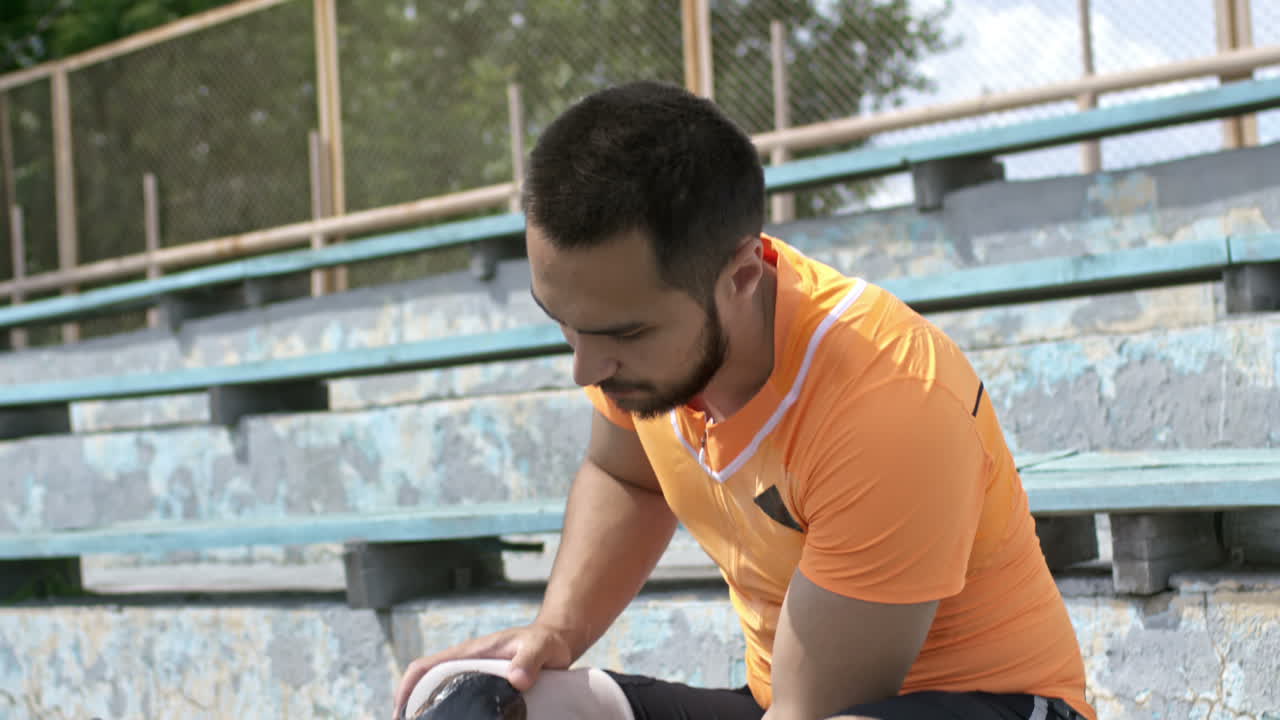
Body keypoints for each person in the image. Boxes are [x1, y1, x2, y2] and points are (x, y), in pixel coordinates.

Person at [392, 80, 1095, 720]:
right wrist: (555, 632)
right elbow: (626, 477)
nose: (585, 368)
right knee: (475, 704)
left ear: (740, 277)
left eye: (621, 333)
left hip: (979, 707)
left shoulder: (890, 405)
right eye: (565, 326)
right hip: (782, 704)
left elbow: (811, 708)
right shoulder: (646, 346)